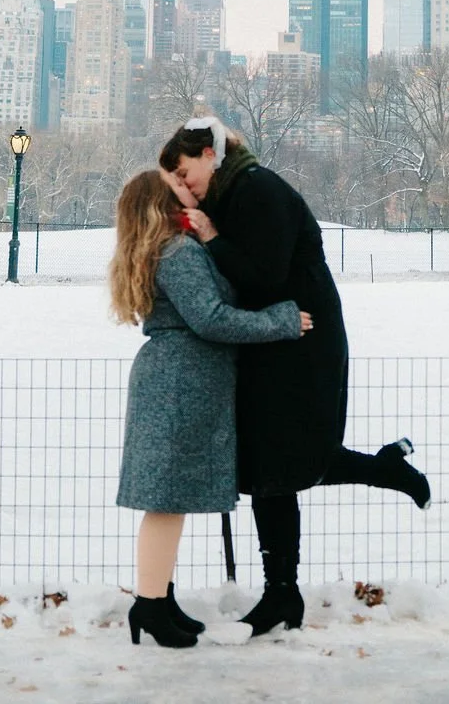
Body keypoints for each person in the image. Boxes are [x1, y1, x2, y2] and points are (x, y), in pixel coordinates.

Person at [159, 117, 430, 638]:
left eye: (185, 170)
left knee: (292, 457)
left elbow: (263, 273)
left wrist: (209, 232)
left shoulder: (258, 189)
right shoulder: (231, 194)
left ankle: (386, 474)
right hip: (270, 340)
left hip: (304, 343)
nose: (184, 183)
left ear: (210, 153)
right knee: (269, 464)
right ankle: (282, 592)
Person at [109, 169, 309, 649]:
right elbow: (210, 318)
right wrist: (279, 320)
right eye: (177, 188)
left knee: (168, 500)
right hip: (180, 382)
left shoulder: (166, 249)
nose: (189, 190)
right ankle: (151, 607)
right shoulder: (176, 255)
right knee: (165, 500)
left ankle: (156, 600)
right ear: (162, 202)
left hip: (179, 379)